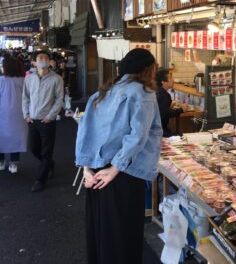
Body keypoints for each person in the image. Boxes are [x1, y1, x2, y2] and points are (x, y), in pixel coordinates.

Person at [75, 48, 163, 264]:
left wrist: (86, 168)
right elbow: (138, 137)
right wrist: (114, 169)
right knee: (122, 233)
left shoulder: (106, 90)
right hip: (122, 173)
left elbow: (86, 130)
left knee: (100, 230)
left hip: (96, 173)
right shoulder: (143, 93)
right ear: (147, 69)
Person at [22, 50, 64, 192]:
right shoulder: (29, 78)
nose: (43, 60)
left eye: (46, 58)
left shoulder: (56, 78)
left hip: (47, 120)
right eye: (40, 58)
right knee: (34, 149)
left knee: (46, 151)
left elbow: (59, 99)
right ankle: (49, 164)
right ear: (34, 62)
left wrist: (51, 116)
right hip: (32, 119)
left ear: (50, 61)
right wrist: (26, 114)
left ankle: (41, 179)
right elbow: (25, 97)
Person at [0, 57, 28, 173]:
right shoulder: (23, 80)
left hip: (2, 113)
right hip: (19, 113)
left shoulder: (1, 80)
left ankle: (1, 162)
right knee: (17, 138)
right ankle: (13, 163)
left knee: (1, 137)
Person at [155, 68, 188, 137]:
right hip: (159, 131)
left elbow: (160, 110)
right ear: (163, 82)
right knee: (179, 138)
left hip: (155, 129)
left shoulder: (156, 91)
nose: (173, 80)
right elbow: (165, 114)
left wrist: (168, 106)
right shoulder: (164, 95)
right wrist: (181, 110)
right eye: (170, 78)